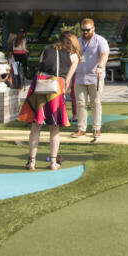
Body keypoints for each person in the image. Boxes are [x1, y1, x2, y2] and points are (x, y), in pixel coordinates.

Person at [18, 30, 79, 170]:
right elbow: (68, 80)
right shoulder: (74, 56)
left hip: (40, 85)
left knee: (36, 126)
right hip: (56, 87)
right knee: (54, 127)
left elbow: (40, 68)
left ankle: (31, 162)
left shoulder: (47, 49)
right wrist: (64, 92)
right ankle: (53, 162)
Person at [72, 18, 109, 142]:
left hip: (95, 77)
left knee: (95, 103)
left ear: (93, 28)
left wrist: (100, 66)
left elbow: (104, 54)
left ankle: (96, 128)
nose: (85, 32)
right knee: (80, 103)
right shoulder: (77, 41)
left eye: (88, 30)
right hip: (80, 77)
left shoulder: (100, 40)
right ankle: (81, 129)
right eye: (83, 30)